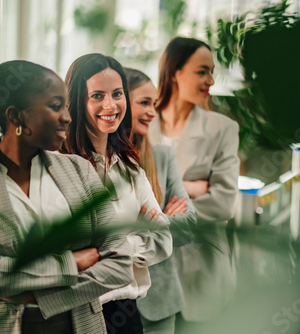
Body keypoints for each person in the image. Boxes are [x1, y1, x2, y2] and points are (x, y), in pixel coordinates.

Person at [0, 60, 134, 334]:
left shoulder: (79, 170)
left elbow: (120, 263)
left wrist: (35, 297)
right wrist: (72, 262)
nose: (67, 116)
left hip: (77, 325)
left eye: (66, 106)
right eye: (56, 106)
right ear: (16, 117)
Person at [62, 53, 173, 334]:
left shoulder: (129, 167)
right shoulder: (58, 167)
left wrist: (110, 249)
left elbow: (164, 240)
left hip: (126, 311)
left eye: (117, 93)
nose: (110, 105)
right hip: (77, 313)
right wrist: (137, 235)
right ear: (77, 101)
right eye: (97, 95)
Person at [149, 37, 240, 329]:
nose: (211, 81)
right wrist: (188, 188)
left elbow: (223, 202)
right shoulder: (141, 123)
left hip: (202, 270)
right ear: (175, 71)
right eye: (202, 71)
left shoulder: (222, 129)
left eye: (211, 72)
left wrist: (157, 208)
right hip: (150, 275)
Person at [124, 67, 197, 334]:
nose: (152, 112)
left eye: (153, 104)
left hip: (160, 303)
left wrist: (148, 222)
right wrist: (161, 218)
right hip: (109, 302)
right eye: (144, 103)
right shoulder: (97, 162)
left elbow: (189, 224)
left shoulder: (163, 157)